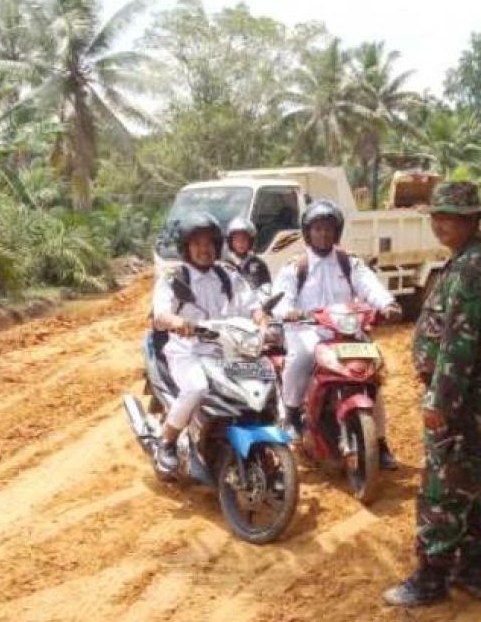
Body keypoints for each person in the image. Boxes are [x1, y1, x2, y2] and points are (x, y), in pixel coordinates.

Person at [383, 181, 481, 607]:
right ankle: (471, 569)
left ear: (471, 220)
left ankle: (431, 578)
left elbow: (458, 343)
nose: (441, 224)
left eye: (450, 217)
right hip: (465, 395)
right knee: (465, 481)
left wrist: (440, 402)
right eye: (437, 216)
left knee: (441, 486)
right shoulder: (464, 261)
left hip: (461, 398)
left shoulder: (472, 269)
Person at [272, 199, 401, 469]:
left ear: (337, 231)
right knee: (302, 357)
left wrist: (386, 304)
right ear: (308, 233)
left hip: (346, 332)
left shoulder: (348, 262)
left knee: (370, 376)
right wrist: (289, 312)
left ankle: (380, 442)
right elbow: (281, 298)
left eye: (329, 228)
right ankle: (293, 414)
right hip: (308, 330)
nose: (323, 234)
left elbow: (369, 286)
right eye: (317, 229)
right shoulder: (296, 265)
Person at [151, 213, 267, 475]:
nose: (204, 249)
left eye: (209, 243)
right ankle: (166, 442)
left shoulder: (228, 275)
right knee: (197, 388)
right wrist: (177, 322)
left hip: (227, 350)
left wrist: (262, 324)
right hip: (187, 351)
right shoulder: (175, 278)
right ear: (186, 247)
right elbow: (160, 313)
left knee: (260, 378)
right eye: (197, 244)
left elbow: (253, 305)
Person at [221, 216, 272, 291]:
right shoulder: (224, 265)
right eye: (237, 239)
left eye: (244, 239)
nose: (240, 243)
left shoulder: (259, 265)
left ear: (250, 241)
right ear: (230, 241)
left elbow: (266, 287)